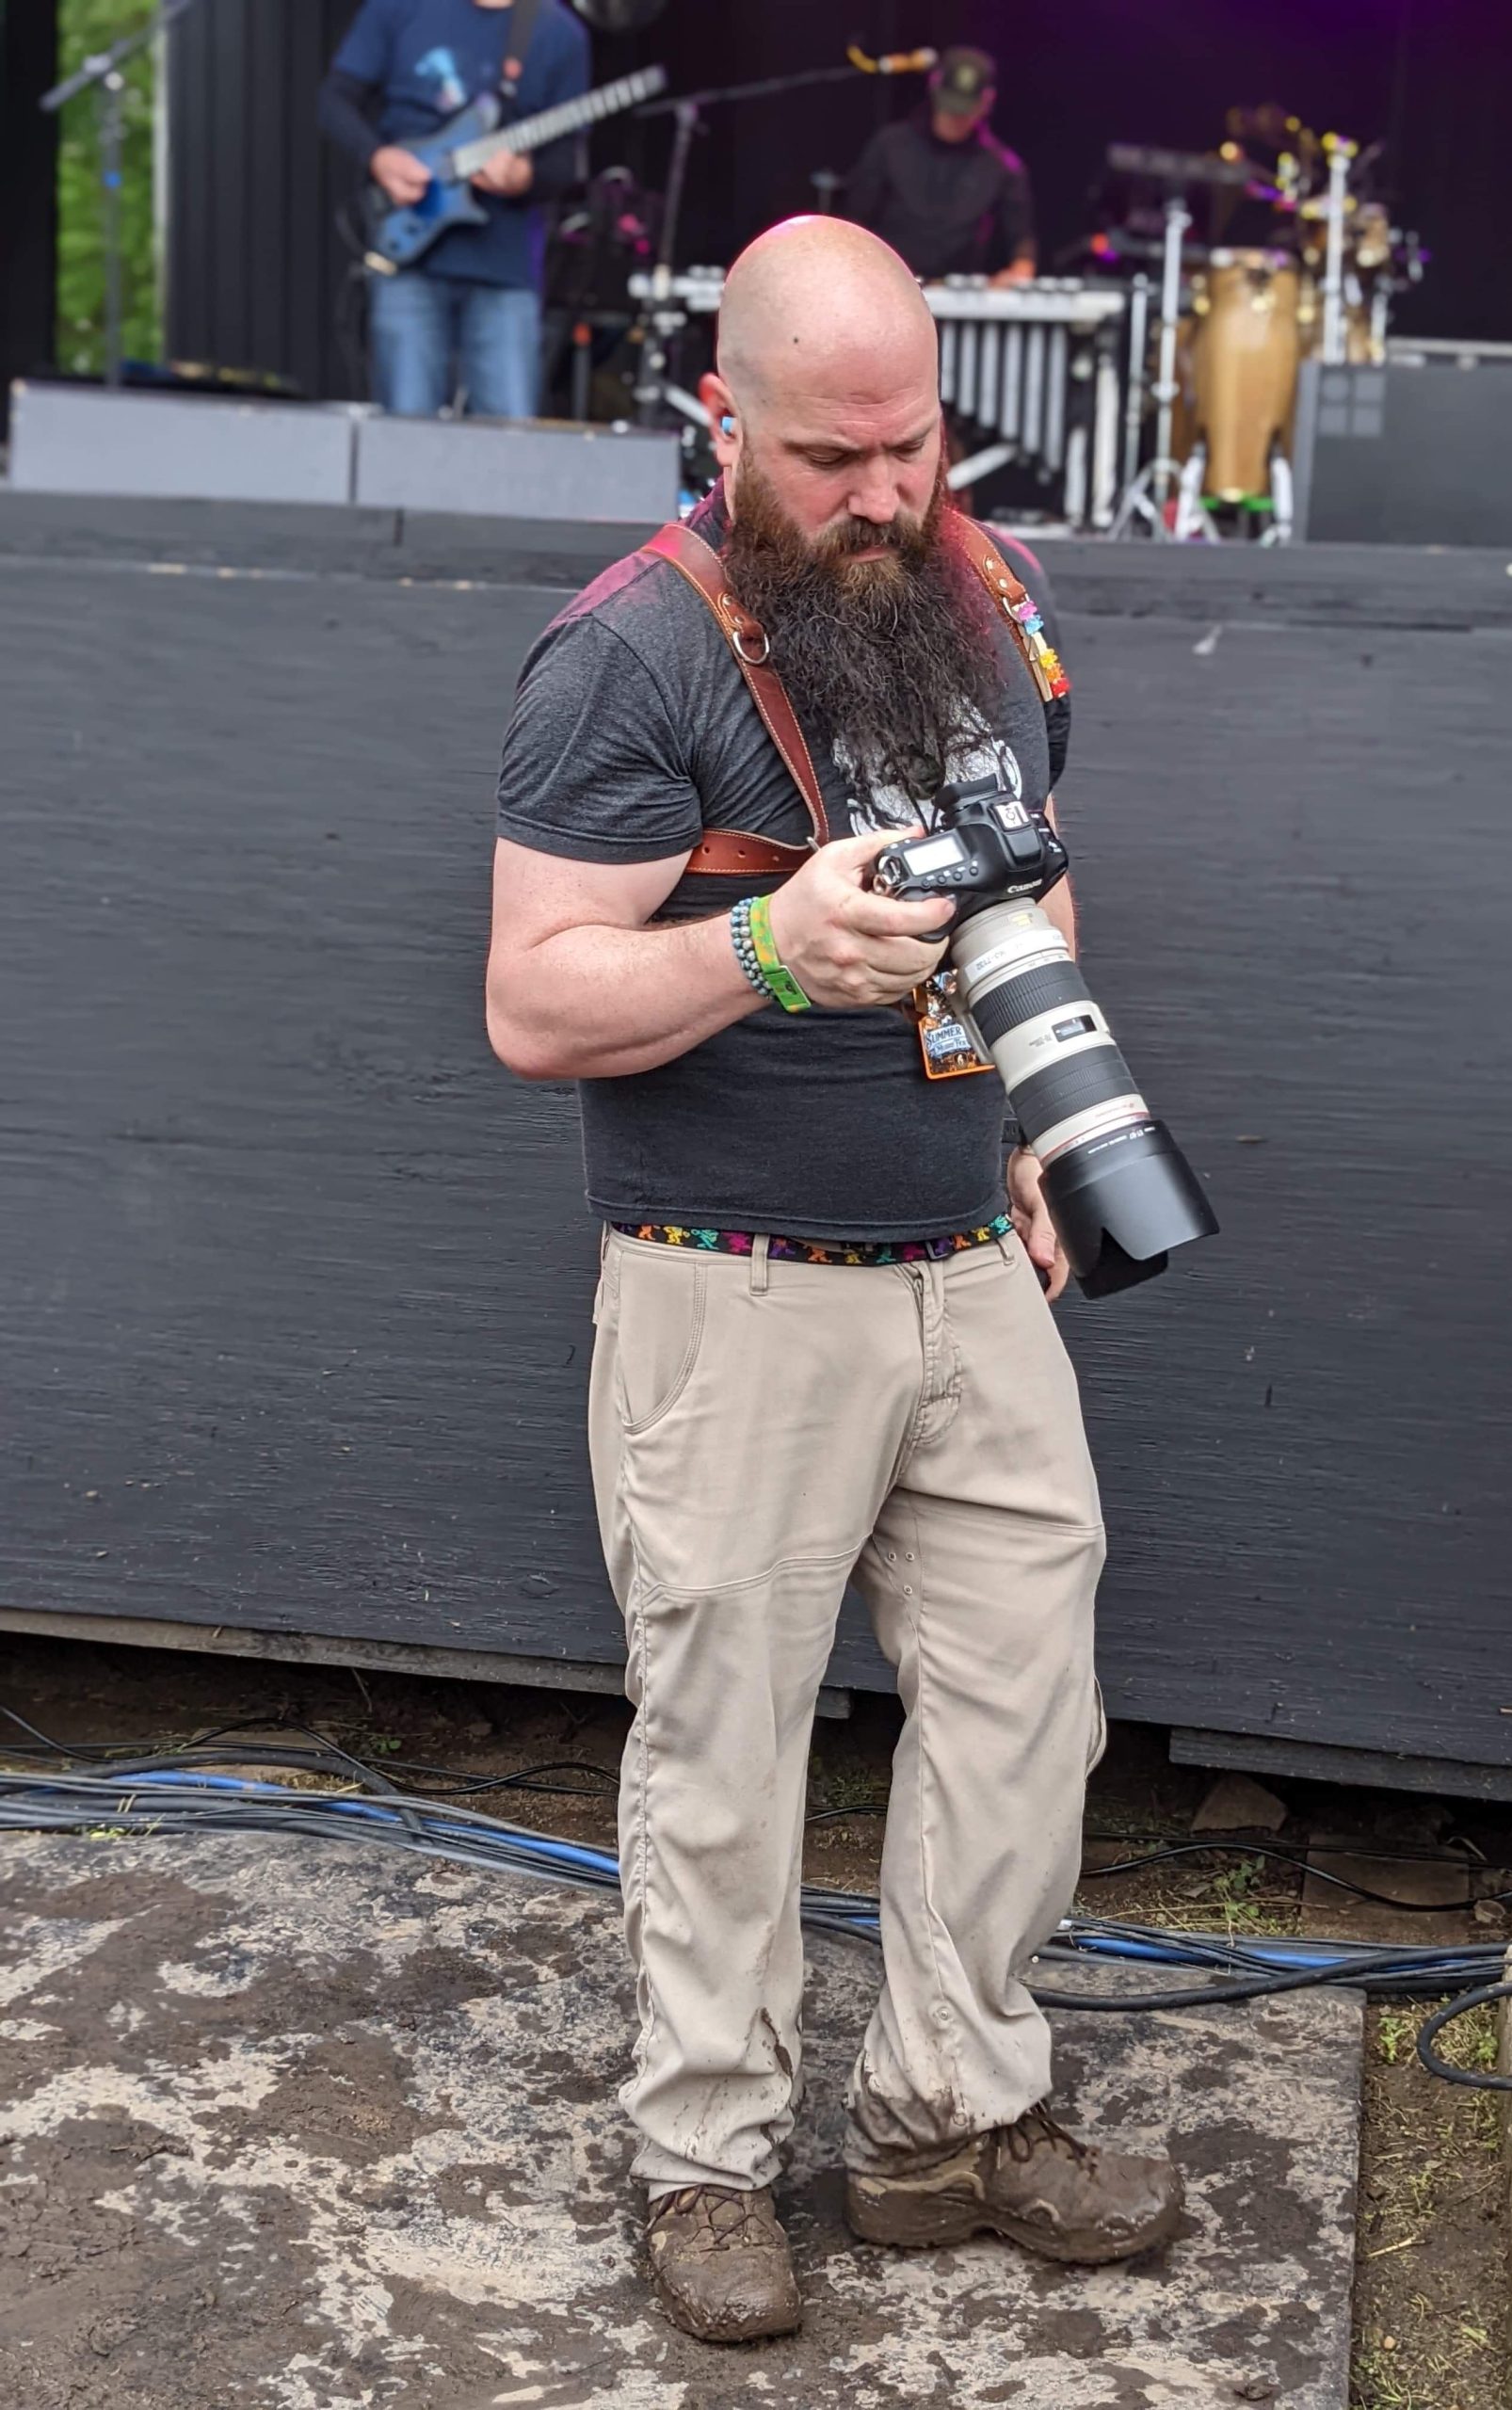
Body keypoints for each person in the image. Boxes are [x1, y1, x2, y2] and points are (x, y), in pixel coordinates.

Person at [486, 216, 1181, 2345]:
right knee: (724, 1742)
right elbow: (534, 998)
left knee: (1022, 1705)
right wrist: (764, 948)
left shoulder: (991, 600)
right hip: (732, 1283)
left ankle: (943, 2116)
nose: (886, 494)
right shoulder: (627, 654)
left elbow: (1030, 857)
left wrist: (1064, 1134)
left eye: (915, 444)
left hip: (968, 1255)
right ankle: (701, 2151)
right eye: (830, 455)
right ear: (724, 424)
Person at [319, 0, 590, 418]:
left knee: (510, 444)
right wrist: (378, 158)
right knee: (407, 438)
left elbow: (568, 163)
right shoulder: (397, 8)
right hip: (409, 257)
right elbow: (335, 100)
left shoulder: (558, 31)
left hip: (505, 270)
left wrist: (524, 176)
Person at [844, 46, 1037, 287]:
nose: (955, 117)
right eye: (950, 106)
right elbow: (853, 222)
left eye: (964, 109)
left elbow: (1022, 242)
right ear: (934, 87)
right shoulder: (890, 146)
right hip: (886, 287)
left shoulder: (1003, 167)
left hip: (959, 297)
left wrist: (1019, 275)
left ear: (987, 102)